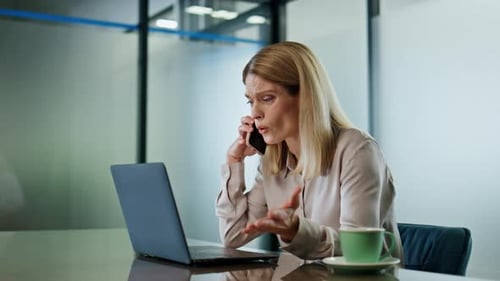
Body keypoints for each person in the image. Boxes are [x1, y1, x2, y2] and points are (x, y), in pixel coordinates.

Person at [215, 41, 403, 261]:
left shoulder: (356, 151)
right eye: (250, 101)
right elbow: (233, 236)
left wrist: (297, 231)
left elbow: (357, 252)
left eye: (267, 99)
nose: (255, 112)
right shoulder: (272, 161)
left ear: (305, 97)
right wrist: (234, 161)